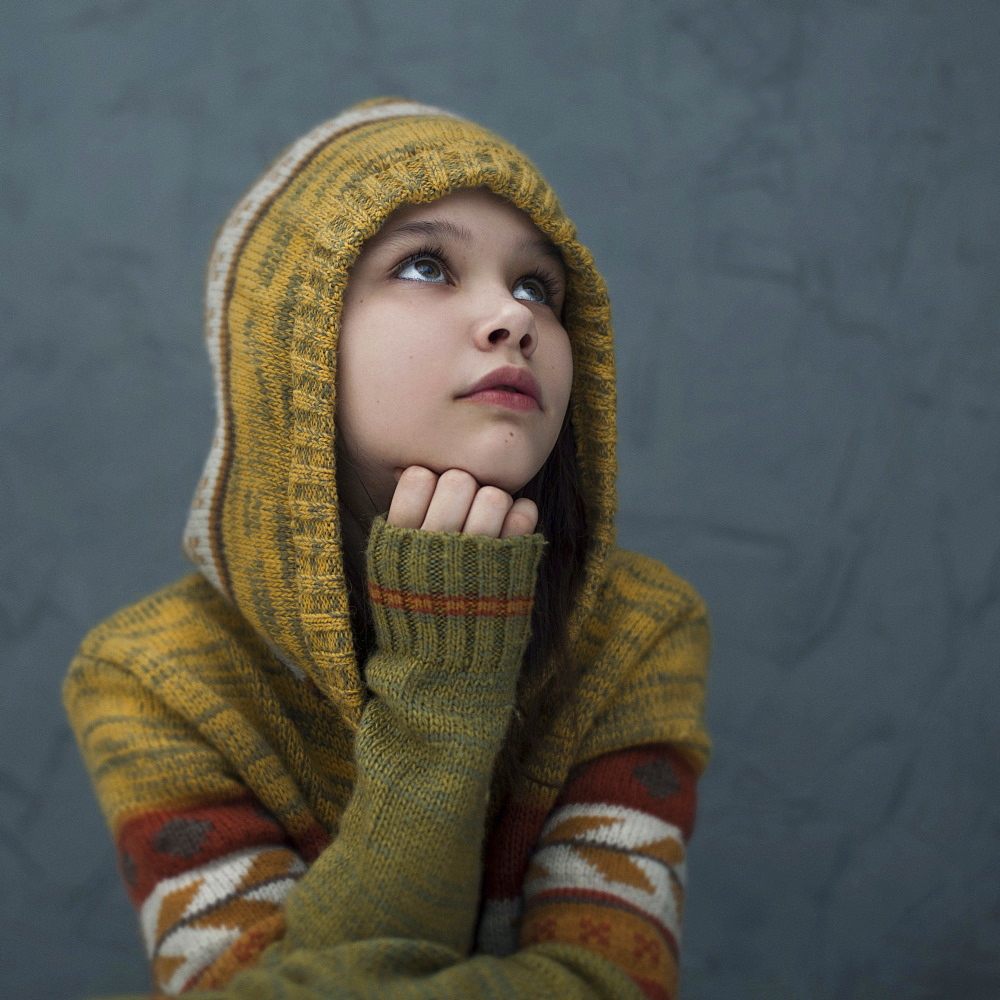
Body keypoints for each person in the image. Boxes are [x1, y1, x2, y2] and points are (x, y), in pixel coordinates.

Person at [64, 97, 711, 1000]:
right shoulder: (157, 674)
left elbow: (607, 986)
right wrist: (444, 690)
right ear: (292, 345)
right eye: (424, 264)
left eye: (539, 288)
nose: (512, 319)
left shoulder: (634, 632)